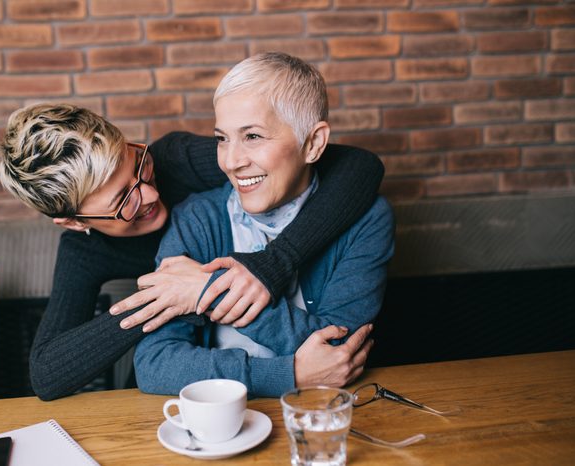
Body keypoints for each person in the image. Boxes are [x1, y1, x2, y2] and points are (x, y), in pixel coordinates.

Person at [0, 99, 384, 401]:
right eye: (123, 200)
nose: (149, 194)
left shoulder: (174, 162)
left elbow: (359, 166)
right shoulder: (83, 252)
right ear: (75, 222)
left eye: (137, 166)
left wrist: (271, 264)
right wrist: (164, 297)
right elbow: (47, 374)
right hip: (190, 382)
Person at [133, 52, 394, 398]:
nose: (231, 161)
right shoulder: (197, 217)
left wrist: (207, 291)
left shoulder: (367, 219)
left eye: (253, 136)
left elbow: (340, 350)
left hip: (322, 412)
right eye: (222, 138)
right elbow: (154, 363)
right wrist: (287, 374)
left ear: (313, 143)